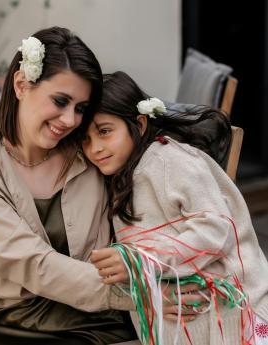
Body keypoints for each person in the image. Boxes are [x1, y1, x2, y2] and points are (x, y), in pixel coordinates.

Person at [0, 27, 140, 345]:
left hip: (105, 324)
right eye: (61, 101)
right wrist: (141, 292)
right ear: (21, 84)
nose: (71, 120)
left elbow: (155, 184)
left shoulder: (94, 153)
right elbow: (35, 265)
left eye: (80, 108)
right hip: (22, 328)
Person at [82, 71, 268, 345]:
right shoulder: (121, 176)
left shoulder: (169, 160)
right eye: (84, 139)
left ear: (140, 124)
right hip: (187, 323)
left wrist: (142, 263)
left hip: (238, 322)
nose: (95, 148)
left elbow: (215, 229)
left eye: (105, 131)